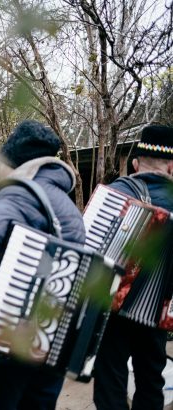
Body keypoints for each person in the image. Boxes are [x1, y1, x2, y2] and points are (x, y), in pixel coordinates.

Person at [0, 120, 85, 409]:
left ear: (13, 163)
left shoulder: (19, 193)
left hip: (1, 341)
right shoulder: (69, 207)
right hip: (47, 343)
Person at [93, 124, 173, 410]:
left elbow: (90, 250)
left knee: (109, 379)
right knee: (151, 381)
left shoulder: (114, 194)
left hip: (111, 307)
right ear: (172, 167)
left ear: (136, 164)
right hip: (158, 311)